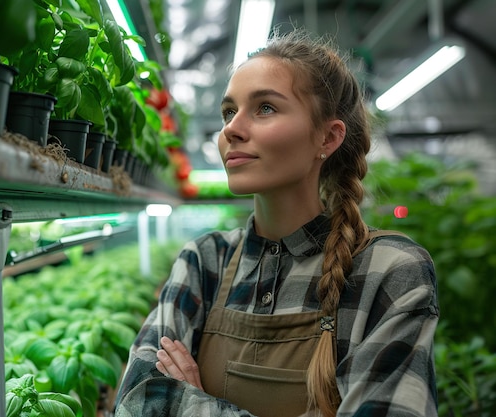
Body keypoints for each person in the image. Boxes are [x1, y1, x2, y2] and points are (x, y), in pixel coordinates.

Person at [114, 28, 439, 417]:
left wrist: (190, 402)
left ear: (327, 137)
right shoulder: (204, 262)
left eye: (265, 107)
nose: (230, 129)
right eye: (228, 111)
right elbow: (137, 401)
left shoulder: (387, 270)